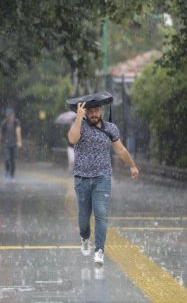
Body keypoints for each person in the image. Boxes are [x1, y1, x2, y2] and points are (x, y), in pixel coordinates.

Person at [68, 100, 139, 265]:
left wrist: (132, 166)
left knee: (101, 214)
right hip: (82, 178)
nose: (94, 114)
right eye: (90, 111)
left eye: (96, 111)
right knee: (83, 217)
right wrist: (78, 117)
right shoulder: (80, 125)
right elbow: (72, 139)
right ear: (85, 112)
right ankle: (84, 238)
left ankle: (99, 250)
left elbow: (120, 149)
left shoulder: (110, 128)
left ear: (101, 111)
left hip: (103, 177)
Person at [0, 108, 22, 180]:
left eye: (10, 115)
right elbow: (0, 134)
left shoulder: (16, 122)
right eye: (7, 115)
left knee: (13, 161)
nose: (8, 117)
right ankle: (7, 171)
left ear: (13, 115)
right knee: (7, 159)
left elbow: (18, 131)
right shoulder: (4, 123)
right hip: (6, 144)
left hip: (14, 144)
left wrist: (19, 141)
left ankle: (12, 175)